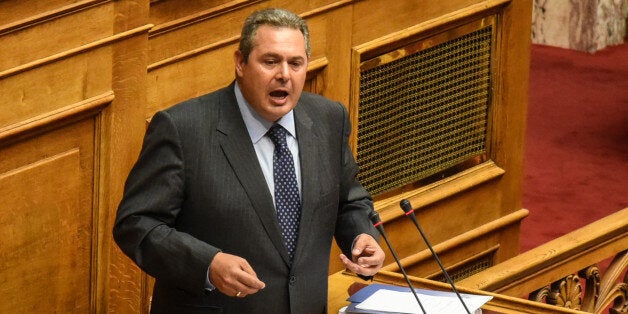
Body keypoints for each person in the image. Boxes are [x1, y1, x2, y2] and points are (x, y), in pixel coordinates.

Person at [113, 7, 385, 314]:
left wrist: (361, 236)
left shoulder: (328, 119)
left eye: (295, 63)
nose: (284, 74)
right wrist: (207, 264)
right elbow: (136, 225)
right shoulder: (184, 129)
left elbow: (348, 200)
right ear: (240, 62)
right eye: (270, 61)